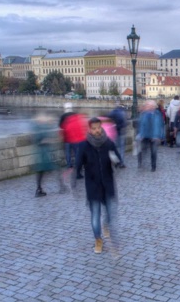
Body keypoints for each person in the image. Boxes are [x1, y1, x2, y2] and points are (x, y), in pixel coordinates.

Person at [75, 117, 123, 254]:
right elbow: (78, 164)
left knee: (109, 213)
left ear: (101, 127)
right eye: (94, 128)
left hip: (107, 184)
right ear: (89, 129)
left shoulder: (108, 143)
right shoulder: (83, 145)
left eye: (98, 128)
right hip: (93, 186)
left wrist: (117, 162)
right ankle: (98, 239)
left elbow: (118, 158)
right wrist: (74, 179)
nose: (97, 131)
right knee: (95, 214)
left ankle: (106, 225)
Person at [33, 113, 63, 197]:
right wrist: (50, 140)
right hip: (43, 155)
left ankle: (39, 189)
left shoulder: (40, 127)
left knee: (42, 172)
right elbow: (40, 141)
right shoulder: (39, 129)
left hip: (44, 154)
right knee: (55, 169)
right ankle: (61, 187)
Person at [59, 103, 86, 178]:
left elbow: (61, 126)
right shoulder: (75, 114)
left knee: (68, 152)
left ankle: (69, 165)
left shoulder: (63, 116)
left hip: (67, 138)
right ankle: (78, 166)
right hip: (75, 138)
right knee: (77, 153)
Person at [138, 100, 163, 172]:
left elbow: (159, 125)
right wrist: (141, 134)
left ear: (154, 107)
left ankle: (153, 166)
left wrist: (158, 136)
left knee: (153, 152)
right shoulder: (143, 114)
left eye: (150, 105)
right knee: (141, 150)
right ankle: (140, 162)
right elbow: (142, 125)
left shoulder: (157, 114)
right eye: (147, 105)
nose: (148, 107)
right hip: (145, 135)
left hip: (154, 136)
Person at [108, 103, 127, 168]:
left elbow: (107, 119)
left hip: (113, 133)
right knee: (121, 148)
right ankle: (121, 162)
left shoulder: (112, 113)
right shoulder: (122, 113)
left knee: (115, 148)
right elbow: (124, 124)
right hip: (121, 132)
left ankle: (116, 161)